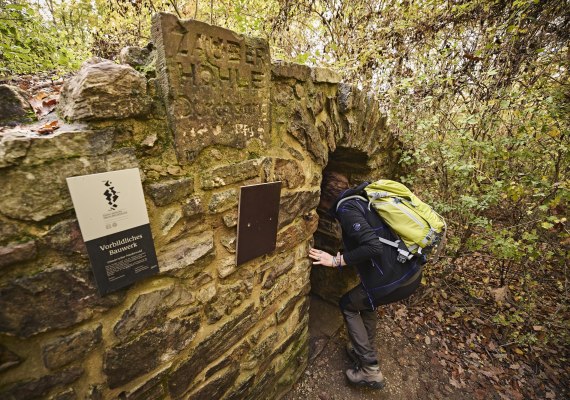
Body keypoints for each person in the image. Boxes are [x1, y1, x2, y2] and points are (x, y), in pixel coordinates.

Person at [308, 171, 423, 389]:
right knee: (367, 303)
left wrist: (336, 260)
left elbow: (373, 246)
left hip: (395, 280)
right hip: (407, 272)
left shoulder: (346, 208)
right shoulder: (361, 200)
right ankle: (364, 349)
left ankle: (370, 370)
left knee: (348, 305)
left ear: (325, 197)